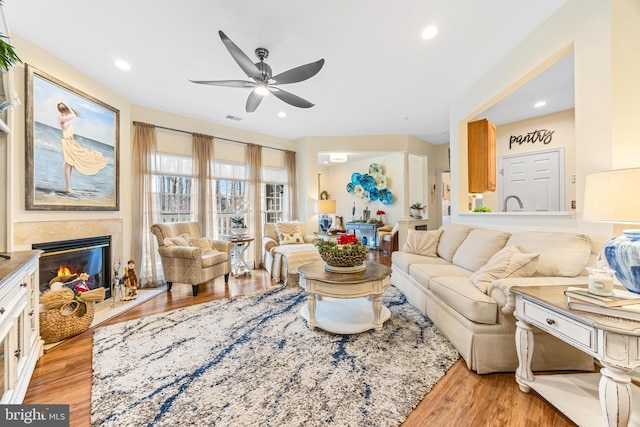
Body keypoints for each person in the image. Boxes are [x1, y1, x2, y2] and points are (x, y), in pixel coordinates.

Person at [57, 101, 107, 193]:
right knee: (68, 163)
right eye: (65, 110)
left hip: (70, 141)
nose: (66, 111)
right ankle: (68, 187)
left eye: (66, 110)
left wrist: (67, 106)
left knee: (70, 164)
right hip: (67, 142)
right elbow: (74, 115)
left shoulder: (65, 118)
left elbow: (73, 116)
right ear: (62, 110)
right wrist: (68, 105)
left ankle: (68, 187)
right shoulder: (61, 118)